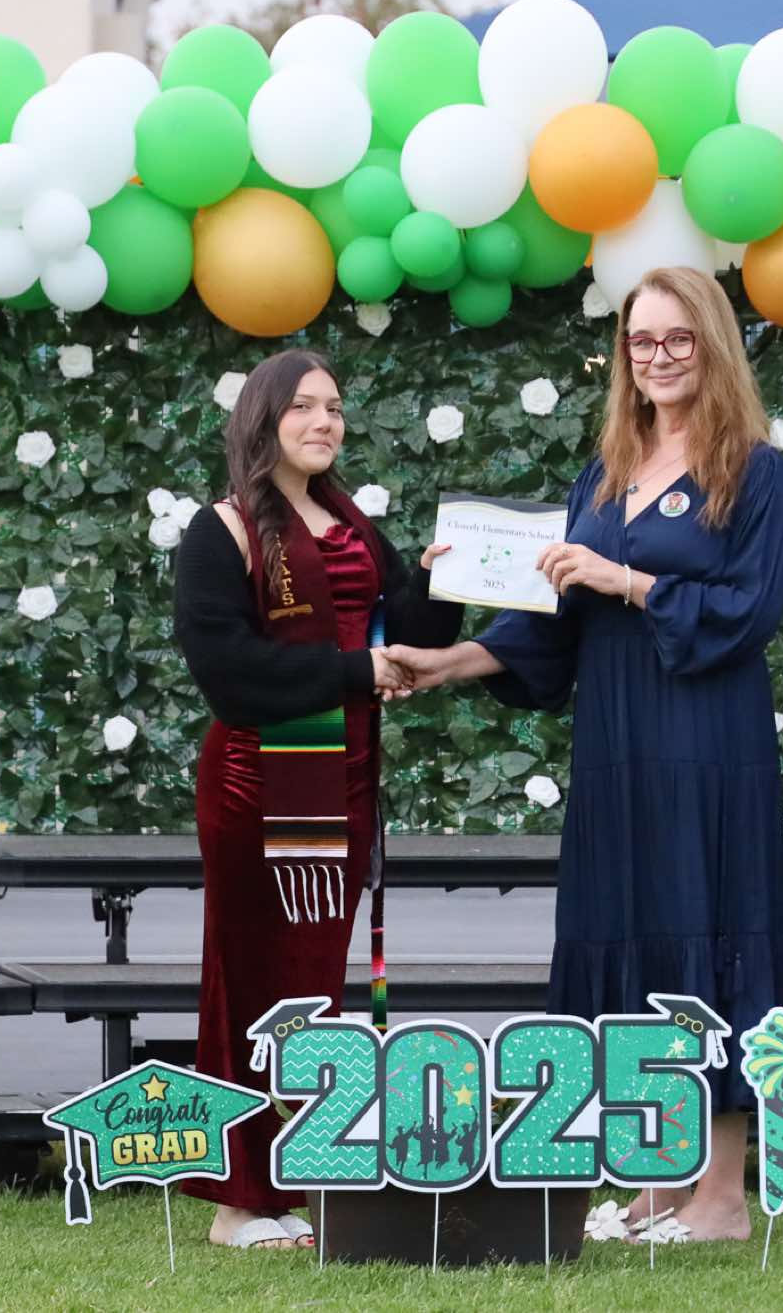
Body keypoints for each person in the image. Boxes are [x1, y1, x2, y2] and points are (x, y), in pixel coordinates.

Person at [385, 266, 783, 1243]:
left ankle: (722, 1197)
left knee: (708, 930)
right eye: (640, 340)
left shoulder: (754, 470)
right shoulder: (603, 475)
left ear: (711, 344)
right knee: (628, 929)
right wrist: (443, 663)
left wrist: (628, 579)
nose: (657, 356)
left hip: (707, 744)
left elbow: (750, 610)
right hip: (616, 746)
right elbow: (549, 623)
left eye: (676, 338)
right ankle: (661, 1177)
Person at [172, 348, 462, 1251]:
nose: (324, 422)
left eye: (334, 407)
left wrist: (440, 584)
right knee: (249, 982)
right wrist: (355, 672)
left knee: (311, 986)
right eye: (302, 406)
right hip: (256, 786)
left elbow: (401, 636)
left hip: (341, 783)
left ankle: (296, 1177)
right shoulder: (221, 530)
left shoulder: (350, 525)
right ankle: (236, 1200)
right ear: (263, 418)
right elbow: (230, 674)